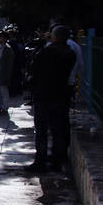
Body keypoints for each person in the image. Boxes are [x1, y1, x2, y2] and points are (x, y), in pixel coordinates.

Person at [28, 25, 76, 171]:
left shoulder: (47, 51)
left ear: (54, 36)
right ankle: (57, 161)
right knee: (57, 130)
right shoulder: (70, 53)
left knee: (41, 130)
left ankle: (40, 161)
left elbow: (34, 69)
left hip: (43, 96)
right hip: (61, 95)